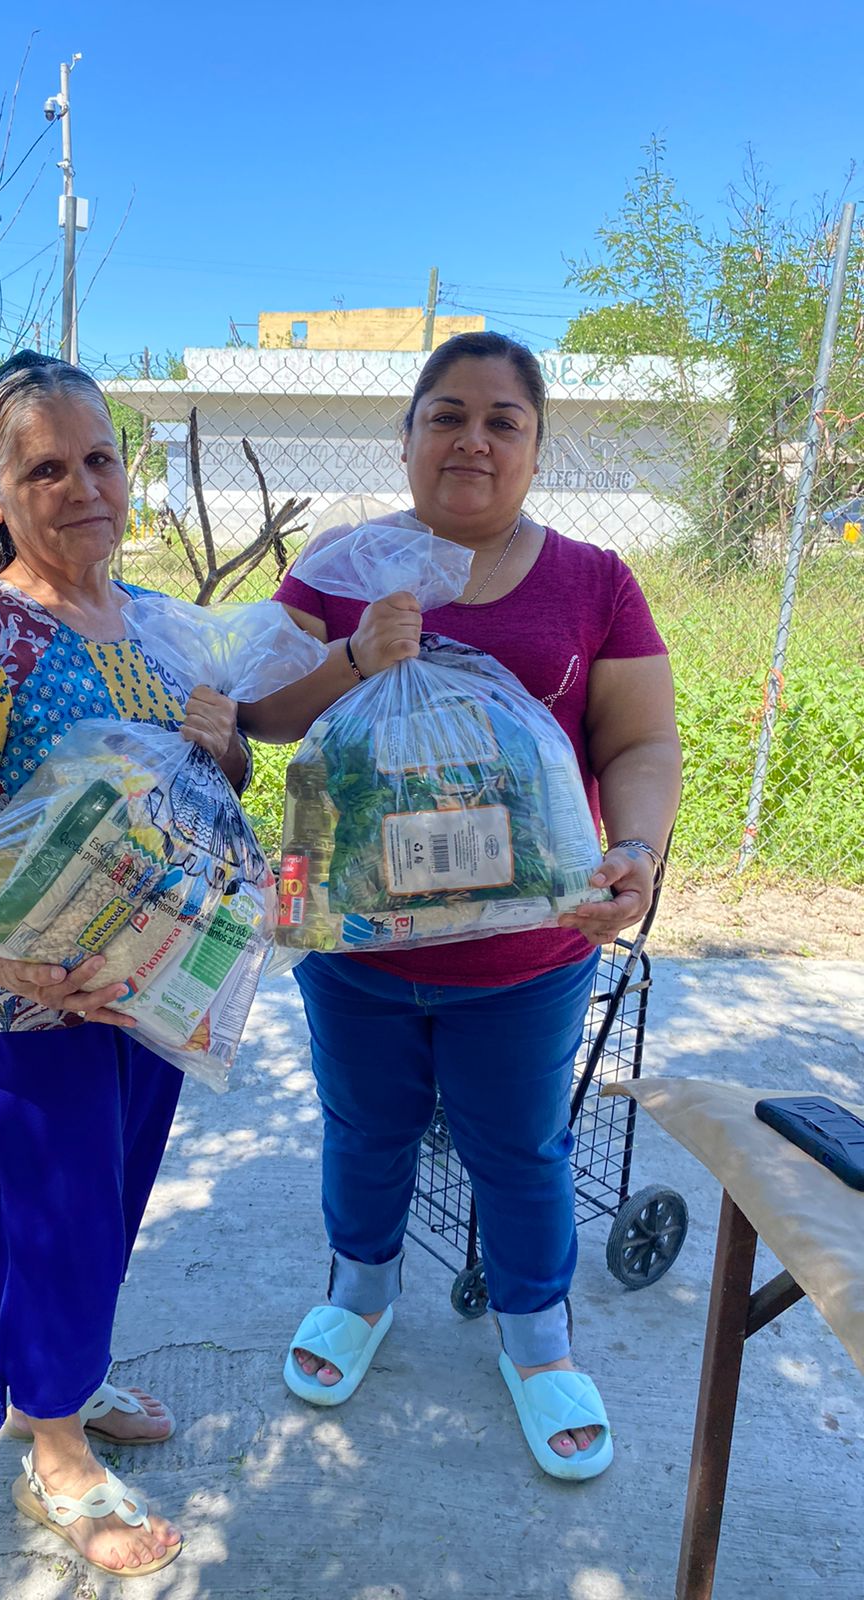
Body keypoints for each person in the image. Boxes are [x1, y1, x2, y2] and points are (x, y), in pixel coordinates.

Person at [239, 331, 682, 1481]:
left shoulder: (594, 581)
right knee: (364, 1125)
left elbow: (640, 742)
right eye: (446, 414)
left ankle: (539, 1341)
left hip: (527, 956)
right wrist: (355, 657)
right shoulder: (342, 564)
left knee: (521, 1146)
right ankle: (360, 1292)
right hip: (354, 944)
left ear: (537, 447)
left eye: (502, 419)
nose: (472, 438)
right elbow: (262, 715)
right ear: (406, 437)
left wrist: (633, 850)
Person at [0, 351, 247, 1575]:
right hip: (27, 1016)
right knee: (48, 1229)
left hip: (144, 996)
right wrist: (25, 967)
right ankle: (54, 1455)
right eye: (46, 468)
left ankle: (70, 1383)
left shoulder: (150, 624)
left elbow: (199, 789)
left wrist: (223, 743)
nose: (84, 486)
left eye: (99, 458)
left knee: (103, 1215)